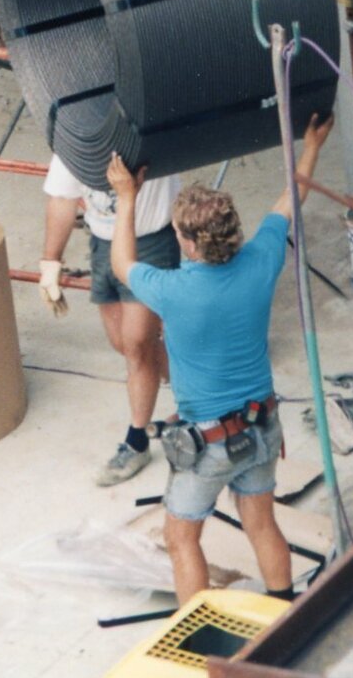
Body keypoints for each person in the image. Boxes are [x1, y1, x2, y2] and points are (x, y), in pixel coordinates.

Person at [108, 112, 335, 604]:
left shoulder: (172, 289)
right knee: (261, 522)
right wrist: (312, 145)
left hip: (207, 443)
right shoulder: (263, 259)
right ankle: (282, 607)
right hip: (261, 428)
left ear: (187, 241)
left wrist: (127, 199)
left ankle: (199, 637)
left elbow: (121, 264)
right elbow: (290, 199)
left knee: (182, 537)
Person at [39, 153, 181, 486]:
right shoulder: (77, 139)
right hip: (104, 242)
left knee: (136, 346)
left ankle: (137, 441)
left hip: (151, 241)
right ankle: (202, 391)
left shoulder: (147, 133)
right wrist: (50, 262)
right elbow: (62, 199)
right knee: (125, 343)